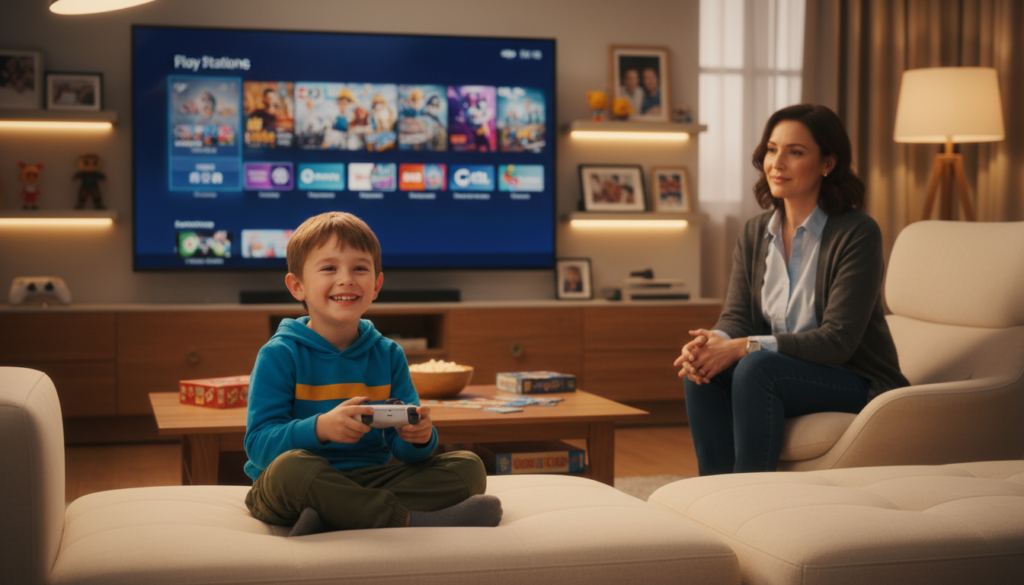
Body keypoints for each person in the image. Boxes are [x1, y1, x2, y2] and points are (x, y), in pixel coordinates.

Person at [674, 104, 909, 476]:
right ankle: (713, 497)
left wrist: (746, 346)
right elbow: (737, 315)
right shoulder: (755, 232)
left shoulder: (857, 233)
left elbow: (839, 341)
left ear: (827, 163)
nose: (777, 163)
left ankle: (751, 500)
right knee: (703, 369)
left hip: (852, 379)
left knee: (756, 366)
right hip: (778, 371)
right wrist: (713, 343)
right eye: (771, 149)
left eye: (795, 152)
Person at [244, 212, 501, 536]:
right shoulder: (280, 354)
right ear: (297, 286)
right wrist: (321, 428)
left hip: (365, 478)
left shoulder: (388, 353)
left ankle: (334, 515)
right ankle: (406, 520)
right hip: (292, 486)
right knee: (291, 469)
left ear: (376, 284)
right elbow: (258, 445)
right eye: (328, 268)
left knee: (468, 467)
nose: (346, 279)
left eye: (359, 269)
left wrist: (419, 438)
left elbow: (405, 451)